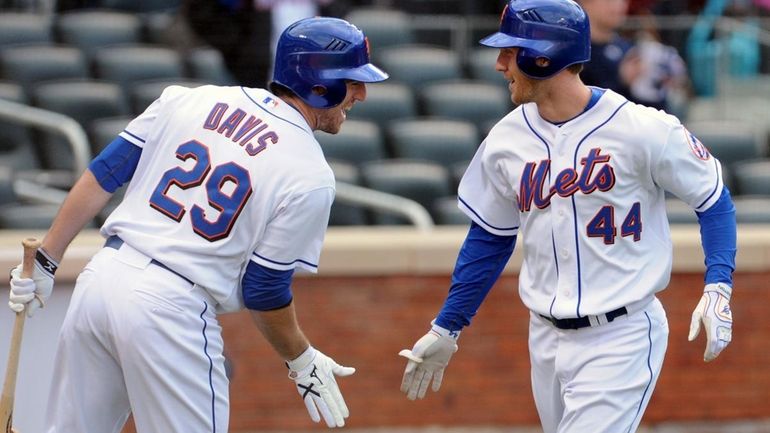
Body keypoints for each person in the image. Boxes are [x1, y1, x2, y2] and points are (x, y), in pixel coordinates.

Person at [8, 16, 388, 432]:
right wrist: (301, 358)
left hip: (101, 281)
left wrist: (48, 258)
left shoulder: (191, 98)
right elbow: (264, 290)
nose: (362, 95)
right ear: (319, 85)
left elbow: (106, 171)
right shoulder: (311, 174)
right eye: (352, 82)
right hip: (171, 307)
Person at [398, 1, 736, 432]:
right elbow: (489, 237)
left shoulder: (642, 128)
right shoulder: (507, 138)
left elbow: (713, 199)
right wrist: (448, 326)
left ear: (545, 56)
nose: (500, 64)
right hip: (545, 336)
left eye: (510, 52)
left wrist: (719, 284)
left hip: (622, 334)